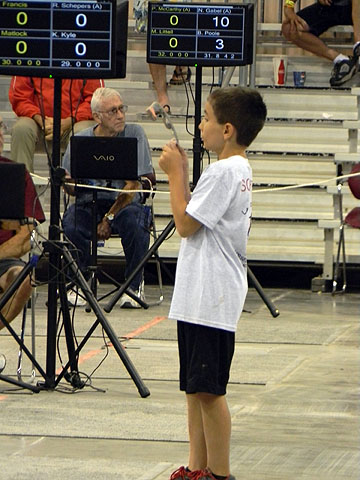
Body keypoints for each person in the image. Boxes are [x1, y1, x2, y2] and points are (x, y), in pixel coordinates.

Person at [159, 87, 267, 480]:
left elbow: (185, 224)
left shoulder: (225, 171)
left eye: (205, 117)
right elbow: (196, 215)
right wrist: (186, 176)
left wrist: (175, 175)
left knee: (209, 390)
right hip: (200, 293)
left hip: (211, 293)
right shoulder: (233, 168)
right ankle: (197, 466)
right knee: (195, 388)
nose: (200, 124)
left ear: (227, 129)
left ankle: (219, 473)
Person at [62, 87, 153, 308]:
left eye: (122, 109)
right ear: (97, 117)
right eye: (113, 111)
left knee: (134, 220)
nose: (120, 115)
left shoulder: (135, 134)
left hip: (125, 204)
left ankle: (133, 284)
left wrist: (109, 218)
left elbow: (135, 184)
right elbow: (71, 187)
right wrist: (67, 181)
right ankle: (81, 279)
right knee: (71, 222)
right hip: (89, 201)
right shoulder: (81, 140)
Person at [0, 116, 45, 374]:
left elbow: (27, 233)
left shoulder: (17, 175)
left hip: (5, 259)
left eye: (0, 131)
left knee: (24, 278)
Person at [8, 77, 104, 172]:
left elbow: (96, 100)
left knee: (83, 133)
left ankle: (80, 184)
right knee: (21, 129)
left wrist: (67, 122)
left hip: (75, 123)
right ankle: (22, 183)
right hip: (39, 123)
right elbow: (20, 98)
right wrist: (42, 121)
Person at [282, 0, 360, 86]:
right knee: (289, 28)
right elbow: (289, 3)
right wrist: (288, 7)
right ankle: (341, 60)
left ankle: (358, 47)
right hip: (329, 7)